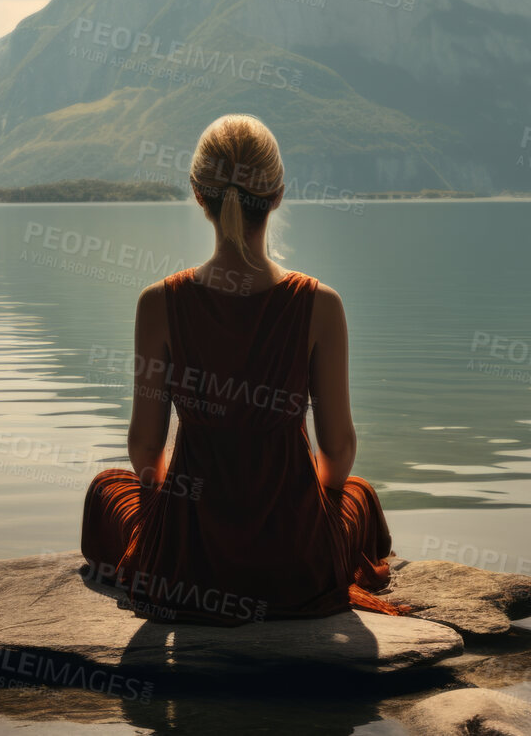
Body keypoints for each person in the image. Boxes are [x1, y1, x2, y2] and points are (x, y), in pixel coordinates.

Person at [80, 114, 408, 625]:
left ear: (197, 194)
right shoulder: (320, 304)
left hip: (187, 567)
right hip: (295, 564)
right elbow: (337, 449)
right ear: (277, 195)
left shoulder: (158, 304)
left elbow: (146, 448)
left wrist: (165, 525)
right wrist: (307, 517)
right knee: (358, 493)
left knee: (108, 489)